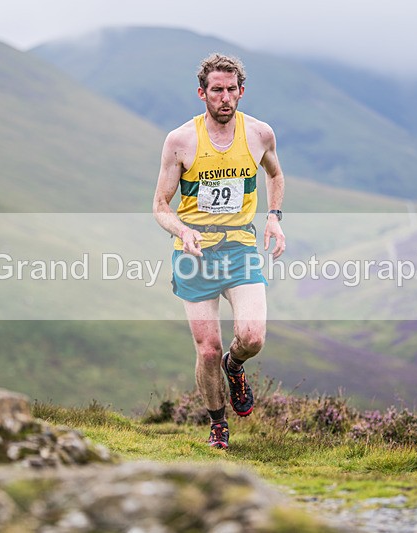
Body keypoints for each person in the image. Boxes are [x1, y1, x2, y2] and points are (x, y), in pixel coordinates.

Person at [153, 53, 286, 449]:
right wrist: (182, 230)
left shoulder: (260, 134)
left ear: (241, 92)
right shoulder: (181, 141)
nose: (225, 98)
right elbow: (160, 205)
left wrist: (274, 217)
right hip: (194, 254)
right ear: (202, 93)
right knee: (207, 349)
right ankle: (217, 423)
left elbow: (275, 174)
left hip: (239, 247)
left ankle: (237, 365)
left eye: (231, 90)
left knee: (252, 336)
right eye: (216, 90)